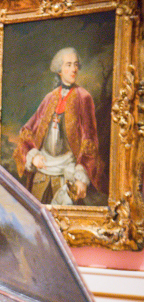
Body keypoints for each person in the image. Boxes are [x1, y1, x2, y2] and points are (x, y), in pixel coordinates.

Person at [12, 47, 106, 205]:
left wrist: (81, 177)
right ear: (59, 69)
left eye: (76, 64)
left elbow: (89, 141)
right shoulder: (50, 98)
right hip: (41, 175)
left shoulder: (84, 97)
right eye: (68, 65)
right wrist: (33, 156)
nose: (73, 69)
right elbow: (27, 131)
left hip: (66, 176)